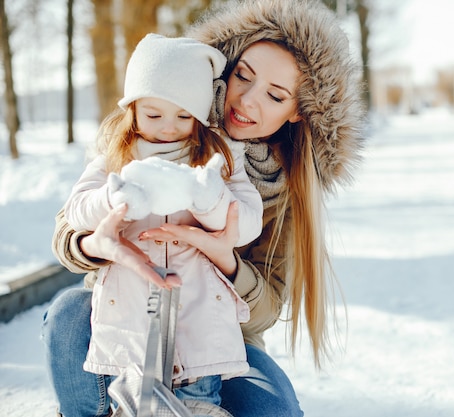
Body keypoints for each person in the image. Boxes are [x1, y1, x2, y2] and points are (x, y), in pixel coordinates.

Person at [42, 1, 365, 416]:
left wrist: (224, 260)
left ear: (299, 111)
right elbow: (69, 225)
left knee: (273, 410)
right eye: (242, 76)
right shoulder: (159, 121)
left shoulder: (284, 187)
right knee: (68, 312)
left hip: (218, 340)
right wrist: (97, 244)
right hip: (128, 318)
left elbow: (264, 311)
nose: (247, 100)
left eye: (274, 94)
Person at [62, 32, 264, 410]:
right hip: (132, 305)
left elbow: (247, 223)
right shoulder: (116, 157)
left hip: (199, 309)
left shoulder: (217, 158)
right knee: (138, 398)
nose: (169, 127)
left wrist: (210, 199)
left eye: (184, 115)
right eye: (154, 114)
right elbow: (76, 209)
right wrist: (115, 199)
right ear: (134, 108)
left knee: (198, 399)